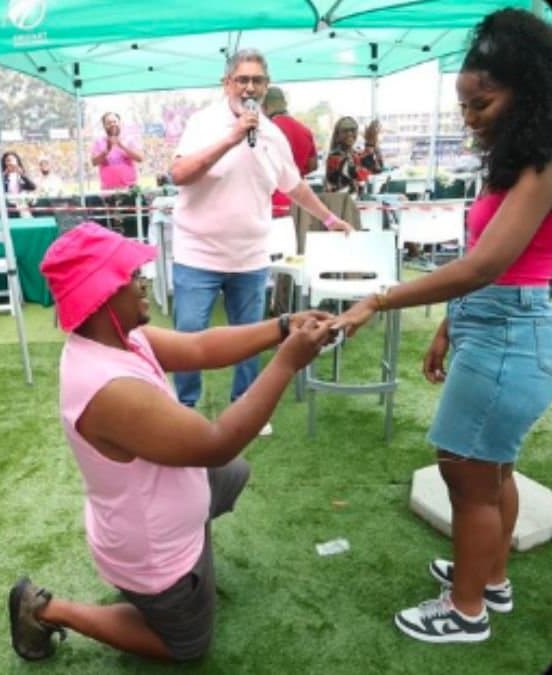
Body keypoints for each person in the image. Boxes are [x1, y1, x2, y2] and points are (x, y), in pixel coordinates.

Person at [7, 222, 334, 662]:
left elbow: (199, 348)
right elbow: (217, 442)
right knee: (186, 647)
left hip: (150, 508)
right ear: (102, 296)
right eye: (130, 276)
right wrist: (286, 362)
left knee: (231, 475)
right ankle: (47, 609)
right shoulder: (110, 388)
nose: (143, 282)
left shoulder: (119, 338)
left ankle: (192, 537)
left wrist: (281, 327)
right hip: (151, 552)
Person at [332, 8, 552, 644]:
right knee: (493, 470)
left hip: (512, 331)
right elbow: (480, 270)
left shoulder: (544, 164)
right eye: (464, 105)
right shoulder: (520, 161)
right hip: (495, 326)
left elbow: (486, 266)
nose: (470, 117)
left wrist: (380, 299)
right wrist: (449, 328)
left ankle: (465, 610)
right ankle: (491, 578)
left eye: (482, 102)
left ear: (529, 91)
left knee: (467, 476)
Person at [167, 48, 354, 435]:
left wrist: (330, 217)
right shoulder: (203, 123)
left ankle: (246, 407)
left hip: (250, 256)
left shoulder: (272, 134)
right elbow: (180, 173)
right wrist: (232, 138)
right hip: (197, 254)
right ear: (227, 84)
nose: (249, 87)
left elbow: (294, 185)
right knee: (188, 334)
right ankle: (184, 406)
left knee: (250, 336)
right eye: (242, 80)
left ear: (266, 87)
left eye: (257, 81)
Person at [263, 86, 318, 220]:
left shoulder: (267, 130)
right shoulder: (304, 130)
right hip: (300, 202)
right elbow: (313, 165)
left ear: (264, 106)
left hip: (272, 201)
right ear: (285, 104)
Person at [324, 116, 384, 195]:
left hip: (354, 203)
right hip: (340, 204)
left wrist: (375, 143)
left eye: (353, 130)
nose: (349, 133)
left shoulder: (355, 153)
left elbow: (378, 168)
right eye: (345, 131)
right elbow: (357, 174)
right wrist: (370, 145)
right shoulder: (334, 156)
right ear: (337, 135)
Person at [91, 112, 144, 190]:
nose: (112, 124)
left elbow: (140, 158)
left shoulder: (129, 140)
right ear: (104, 126)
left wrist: (122, 146)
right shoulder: (99, 142)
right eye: (109, 123)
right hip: (108, 191)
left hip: (130, 189)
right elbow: (94, 162)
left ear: (119, 123)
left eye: (115, 121)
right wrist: (107, 151)